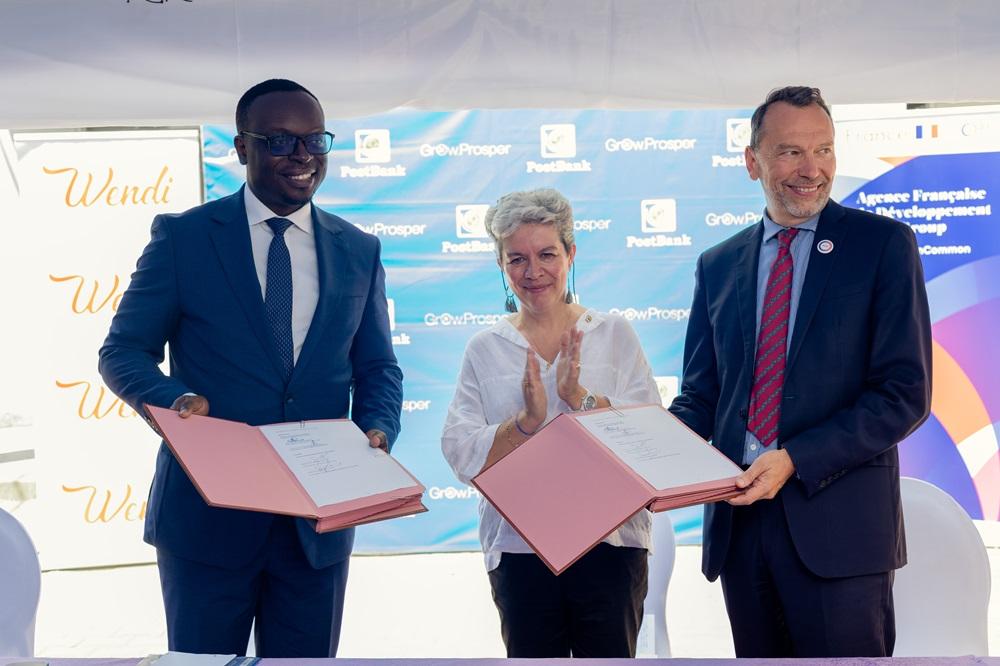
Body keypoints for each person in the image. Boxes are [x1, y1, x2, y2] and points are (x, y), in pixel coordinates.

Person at [99, 79, 403, 657]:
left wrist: (378, 429)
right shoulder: (184, 238)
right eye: (281, 141)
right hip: (208, 524)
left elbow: (378, 367)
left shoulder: (359, 249)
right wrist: (174, 404)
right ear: (242, 148)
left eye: (315, 140)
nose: (303, 158)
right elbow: (122, 352)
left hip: (317, 526)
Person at [669, 86, 932, 657]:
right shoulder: (717, 265)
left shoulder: (882, 246)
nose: (811, 169)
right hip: (741, 530)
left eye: (824, 150)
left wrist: (795, 459)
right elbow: (700, 395)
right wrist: (641, 448)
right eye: (790, 152)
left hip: (839, 531)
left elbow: (903, 394)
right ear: (752, 161)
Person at [441, 188, 659, 658]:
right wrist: (525, 423)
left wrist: (577, 398)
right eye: (516, 258)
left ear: (571, 254)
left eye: (547, 254)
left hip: (611, 545)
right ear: (500, 264)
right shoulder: (486, 348)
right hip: (519, 550)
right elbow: (460, 453)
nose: (533, 272)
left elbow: (650, 439)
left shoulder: (613, 333)